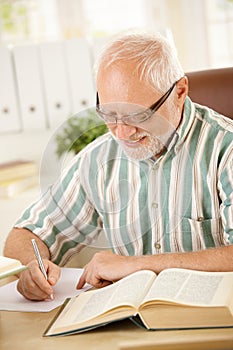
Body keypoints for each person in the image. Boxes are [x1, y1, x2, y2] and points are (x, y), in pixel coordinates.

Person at [4, 31, 233, 301]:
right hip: (131, 326)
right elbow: (25, 234)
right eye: (109, 114)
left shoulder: (225, 148)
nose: (122, 133)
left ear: (179, 92)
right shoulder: (98, 158)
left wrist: (136, 266)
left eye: (138, 115)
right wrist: (32, 267)